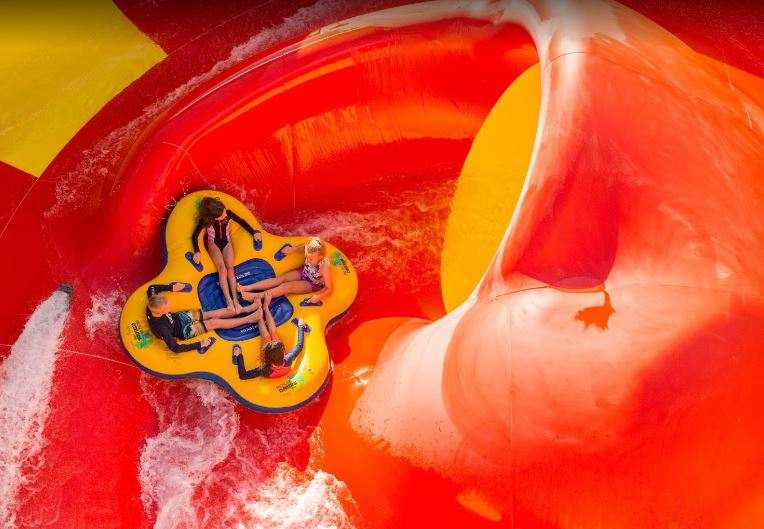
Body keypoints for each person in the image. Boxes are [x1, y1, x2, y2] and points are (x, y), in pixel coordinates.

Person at [191, 197, 262, 313]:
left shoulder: (228, 214)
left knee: (230, 268)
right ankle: (228, 300)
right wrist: (197, 251)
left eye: (224, 211)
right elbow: (194, 236)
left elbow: (242, 222)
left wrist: (253, 232)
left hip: (226, 243)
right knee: (222, 269)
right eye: (222, 215)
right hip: (213, 243)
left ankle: (236, 300)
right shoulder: (206, 221)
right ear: (214, 217)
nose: (225, 215)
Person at [146, 282, 261, 353]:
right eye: (167, 308)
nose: (170, 307)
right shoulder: (162, 328)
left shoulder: (152, 303)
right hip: (183, 331)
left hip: (179, 317)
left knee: (210, 314)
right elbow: (175, 348)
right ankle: (249, 318)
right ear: (160, 312)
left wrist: (171, 287)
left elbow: (152, 287)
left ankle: (247, 309)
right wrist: (199, 344)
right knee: (213, 322)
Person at [238, 236, 332, 306]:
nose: (308, 259)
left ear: (320, 257)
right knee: (281, 279)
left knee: (287, 286)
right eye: (307, 256)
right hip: (304, 272)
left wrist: (319, 296)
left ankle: (256, 296)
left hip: (312, 283)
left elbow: (329, 288)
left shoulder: (324, 266)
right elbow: (302, 248)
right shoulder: (310, 250)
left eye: (311, 259)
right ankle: (247, 288)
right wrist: (292, 249)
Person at [232, 298, 311, 379]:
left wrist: (239, 355)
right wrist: (301, 326)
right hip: (279, 365)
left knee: (266, 337)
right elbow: (299, 346)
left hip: (271, 368)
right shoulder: (288, 359)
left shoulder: (265, 369)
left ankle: (258, 314)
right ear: (284, 354)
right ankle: (265, 308)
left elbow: (243, 375)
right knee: (274, 334)